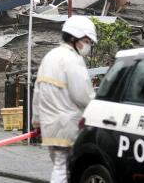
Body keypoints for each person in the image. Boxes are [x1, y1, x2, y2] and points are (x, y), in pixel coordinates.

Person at [31, 16, 97, 183]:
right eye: (87, 40)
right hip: (67, 125)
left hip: (50, 125)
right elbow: (82, 96)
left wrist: (36, 121)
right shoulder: (73, 60)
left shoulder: (50, 57)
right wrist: (98, 107)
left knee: (59, 164)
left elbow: (38, 92)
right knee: (63, 168)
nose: (88, 45)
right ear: (74, 38)